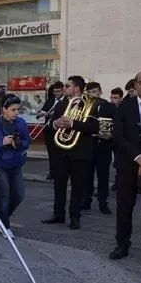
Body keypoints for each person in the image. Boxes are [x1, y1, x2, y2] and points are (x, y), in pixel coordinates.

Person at [110, 70, 141, 266]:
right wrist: (139, 157)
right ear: (135, 85)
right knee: (124, 208)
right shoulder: (124, 106)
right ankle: (122, 244)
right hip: (128, 165)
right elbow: (118, 135)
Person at [41, 75, 98, 229]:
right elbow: (50, 123)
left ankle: (75, 217)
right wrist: (55, 123)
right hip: (61, 151)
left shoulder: (90, 104)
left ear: (77, 88)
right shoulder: (62, 103)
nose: (64, 88)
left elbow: (94, 127)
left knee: (77, 187)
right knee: (58, 184)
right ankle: (58, 214)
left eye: (67, 86)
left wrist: (73, 123)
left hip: (80, 152)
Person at [0, 94, 30, 238]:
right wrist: (2, 143)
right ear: (4, 109)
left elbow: (27, 141)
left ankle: (2, 218)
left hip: (15, 164)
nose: (16, 113)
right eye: (13, 110)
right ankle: (5, 226)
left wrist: (19, 143)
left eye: (18, 109)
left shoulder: (21, 123)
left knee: (19, 194)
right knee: (4, 196)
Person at [83, 82, 115, 214]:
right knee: (87, 176)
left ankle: (103, 202)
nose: (93, 94)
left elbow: (118, 123)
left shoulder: (109, 106)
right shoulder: (84, 106)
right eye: (90, 92)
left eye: (95, 91)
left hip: (104, 146)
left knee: (103, 176)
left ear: (101, 92)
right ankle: (86, 201)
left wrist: (111, 134)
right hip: (88, 145)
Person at [36, 81, 64, 181]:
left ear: (63, 90)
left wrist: (53, 114)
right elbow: (40, 114)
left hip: (60, 131)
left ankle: (60, 172)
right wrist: (41, 114)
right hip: (49, 130)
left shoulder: (66, 101)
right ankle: (52, 172)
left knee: (60, 154)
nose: (56, 93)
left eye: (58, 91)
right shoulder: (50, 100)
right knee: (51, 153)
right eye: (55, 92)